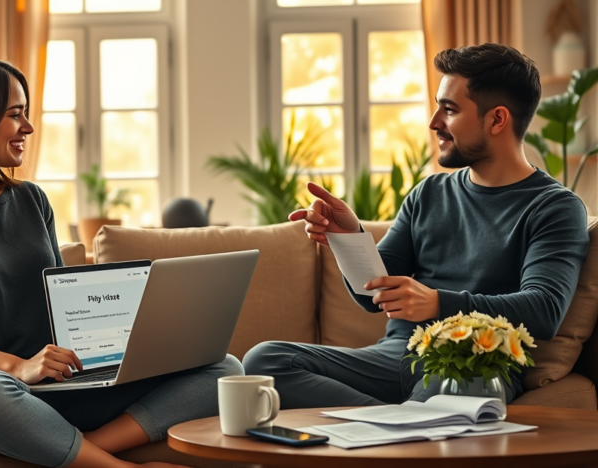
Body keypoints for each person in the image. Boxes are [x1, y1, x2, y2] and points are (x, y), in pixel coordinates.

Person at [0, 56, 243, 468]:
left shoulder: (30, 199)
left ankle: (82, 447)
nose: (28, 128)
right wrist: (20, 366)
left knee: (223, 367)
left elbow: (62, 302)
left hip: (67, 383)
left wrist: (123, 336)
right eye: (15, 115)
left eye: (26, 114)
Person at [242, 43, 590, 409]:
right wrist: (349, 239)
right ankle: (399, 423)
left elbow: (544, 309)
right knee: (265, 360)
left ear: (497, 119)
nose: (434, 121)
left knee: (459, 390)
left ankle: (399, 427)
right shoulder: (430, 193)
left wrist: (437, 303)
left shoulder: (554, 207)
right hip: (396, 358)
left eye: (450, 109)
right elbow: (372, 297)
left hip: (473, 364)